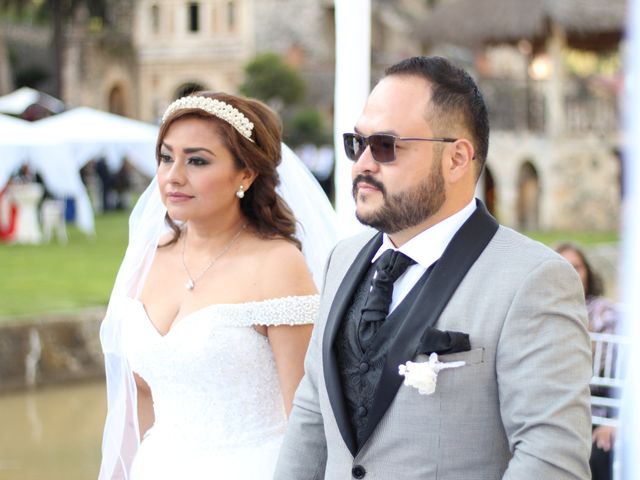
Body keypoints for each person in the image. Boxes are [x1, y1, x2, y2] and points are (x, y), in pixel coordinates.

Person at [275, 56, 592, 479]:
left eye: (385, 145)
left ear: (457, 158)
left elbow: (551, 459)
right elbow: (313, 415)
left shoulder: (532, 280)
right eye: (357, 143)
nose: (363, 164)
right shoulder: (343, 259)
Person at [98, 91, 337, 479]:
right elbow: (139, 398)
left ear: (246, 173)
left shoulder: (277, 265)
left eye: (197, 160)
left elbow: (306, 416)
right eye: (165, 157)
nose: (173, 176)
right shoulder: (145, 261)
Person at [556, 242, 618, 480]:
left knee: (599, 451)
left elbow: (613, 369)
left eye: (577, 267)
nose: (571, 273)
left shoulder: (603, 311)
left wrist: (613, 422)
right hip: (557, 414)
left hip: (597, 411)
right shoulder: (540, 312)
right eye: (563, 266)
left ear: (587, 273)